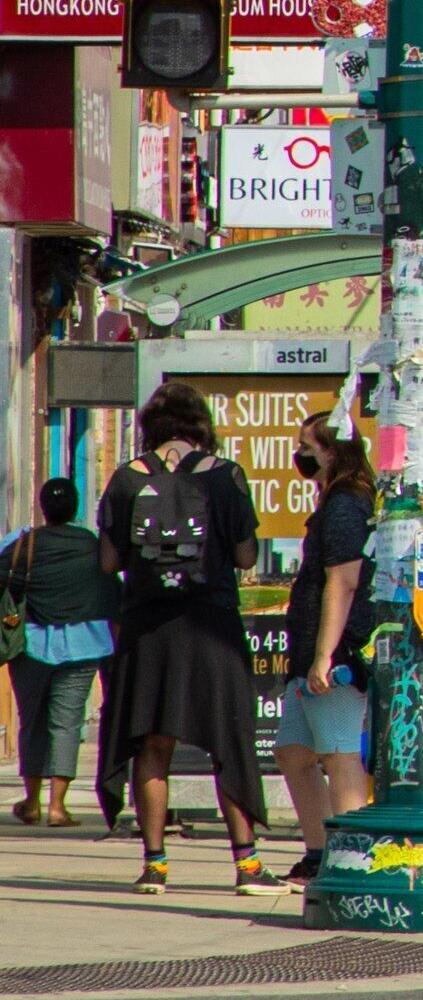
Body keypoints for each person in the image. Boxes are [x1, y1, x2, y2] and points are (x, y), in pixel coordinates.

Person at [95, 381, 268, 895]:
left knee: (152, 744)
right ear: (200, 427)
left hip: (148, 629)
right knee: (228, 742)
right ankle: (248, 866)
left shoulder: (126, 480)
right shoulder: (225, 476)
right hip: (212, 626)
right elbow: (245, 558)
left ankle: (155, 865)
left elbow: (108, 562)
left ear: (151, 428)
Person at [272, 413, 379, 884]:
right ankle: (319, 851)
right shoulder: (333, 503)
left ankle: (353, 859)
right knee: (293, 751)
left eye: (307, 447)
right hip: (311, 651)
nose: (301, 456)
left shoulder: (344, 507)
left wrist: (325, 655)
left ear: (332, 452)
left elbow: (344, 581)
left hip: (336, 654)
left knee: (338, 752)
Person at [6, 480, 116, 827]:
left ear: (42, 507)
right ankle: (58, 807)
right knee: (67, 724)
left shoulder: (25, 542)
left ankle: (33, 801)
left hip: (30, 646)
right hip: (82, 645)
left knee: (31, 722)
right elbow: (112, 588)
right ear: (75, 508)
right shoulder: (90, 544)